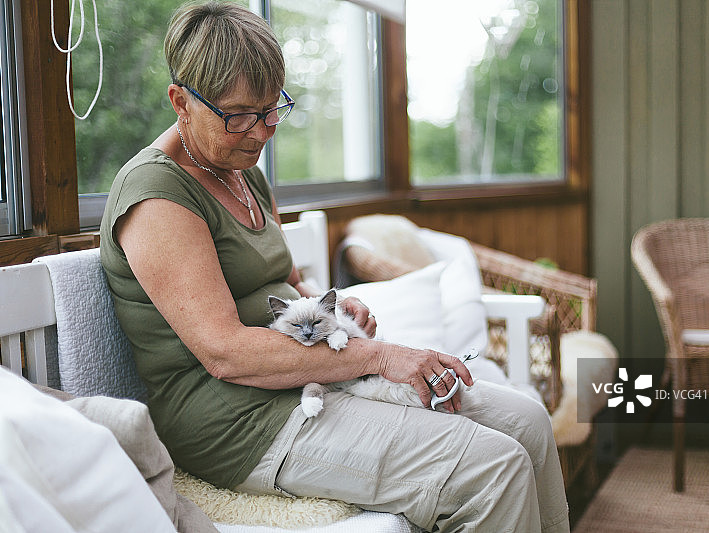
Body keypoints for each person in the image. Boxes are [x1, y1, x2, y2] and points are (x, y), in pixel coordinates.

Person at [99, 2, 569, 531]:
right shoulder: (157, 194)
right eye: (238, 116)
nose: (261, 133)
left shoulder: (241, 171)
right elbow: (225, 353)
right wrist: (381, 356)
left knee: (528, 422)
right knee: (493, 468)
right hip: (239, 422)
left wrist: (335, 307)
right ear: (180, 101)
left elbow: (289, 284)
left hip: (307, 380)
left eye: (271, 109)